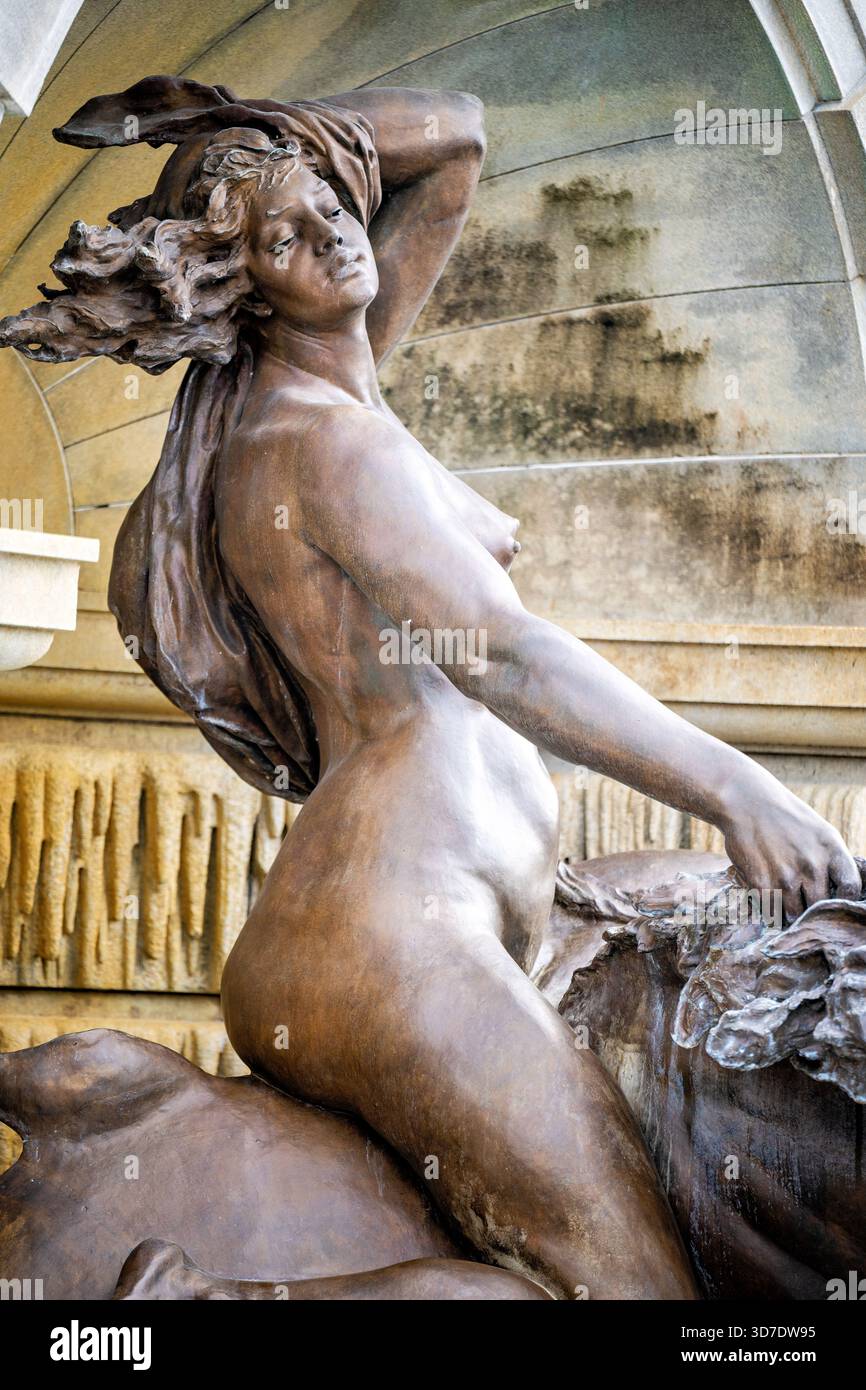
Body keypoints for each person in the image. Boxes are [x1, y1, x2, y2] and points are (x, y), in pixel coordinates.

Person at [2, 77, 859, 1300]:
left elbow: (455, 135)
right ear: (243, 290)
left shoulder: (335, 387)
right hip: (393, 936)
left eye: (328, 208)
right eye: (281, 244)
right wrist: (735, 789)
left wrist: (262, 140)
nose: (331, 238)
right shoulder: (321, 442)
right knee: (629, 1297)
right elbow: (496, 652)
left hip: (428, 917)